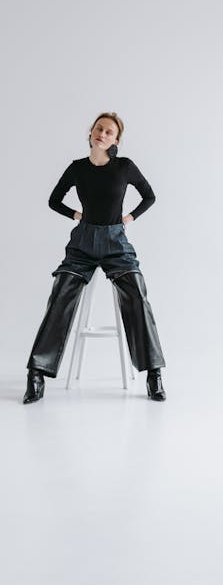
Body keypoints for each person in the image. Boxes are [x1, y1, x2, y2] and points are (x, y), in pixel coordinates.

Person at [23, 112, 166, 403]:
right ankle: (36, 373)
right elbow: (54, 200)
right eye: (99, 129)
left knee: (137, 294)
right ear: (91, 133)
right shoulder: (77, 169)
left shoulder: (124, 167)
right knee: (60, 295)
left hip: (116, 243)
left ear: (116, 140)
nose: (103, 134)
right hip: (82, 245)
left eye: (109, 132)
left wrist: (129, 218)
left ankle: (154, 374)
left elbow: (149, 196)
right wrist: (76, 215)